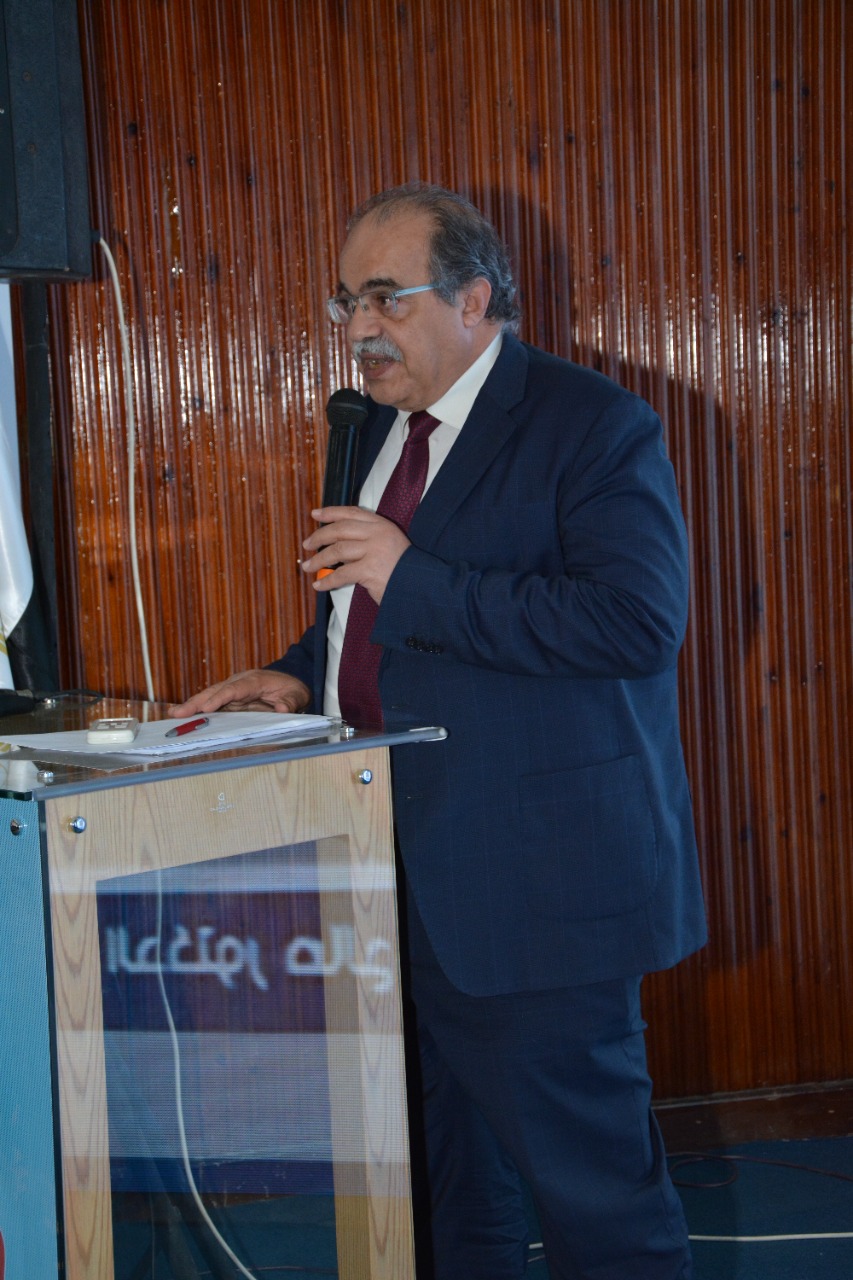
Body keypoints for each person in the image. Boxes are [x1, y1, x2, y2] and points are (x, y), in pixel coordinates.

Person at [170, 183, 706, 1279]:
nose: (357, 327)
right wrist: (292, 676)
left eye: (385, 297)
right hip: (384, 880)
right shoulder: (373, 429)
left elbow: (634, 622)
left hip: (535, 891)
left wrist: (412, 577)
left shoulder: (590, 423)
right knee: (444, 1198)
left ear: (473, 298)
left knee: (597, 1202)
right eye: (345, 301)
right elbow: (367, 617)